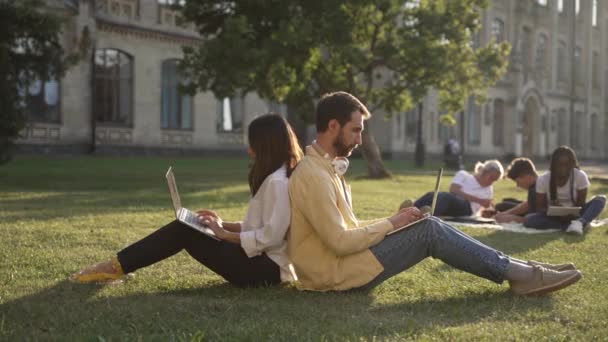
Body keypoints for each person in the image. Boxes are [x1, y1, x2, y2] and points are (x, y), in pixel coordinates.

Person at [287, 91, 581, 295]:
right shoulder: (313, 175)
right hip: (335, 275)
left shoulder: (326, 169)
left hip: (346, 265)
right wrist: (393, 224)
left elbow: (347, 229)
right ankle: (524, 276)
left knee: (431, 224)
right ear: (332, 126)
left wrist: (396, 219)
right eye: (355, 130)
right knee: (429, 230)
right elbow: (339, 242)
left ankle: (521, 270)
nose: (360, 139)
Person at [71, 114, 303, 287]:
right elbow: (261, 227)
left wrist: (224, 235)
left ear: (265, 145)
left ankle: (114, 267)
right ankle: (117, 266)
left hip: (265, 271)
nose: (249, 151)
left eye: (252, 144)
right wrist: (221, 225)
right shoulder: (275, 178)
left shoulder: (278, 182)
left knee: (184, 230)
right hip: (259, 263)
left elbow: (272, 236)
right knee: (189, 227)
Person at [524, 146, 606, 235]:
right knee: (529, 219)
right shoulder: (543, 179)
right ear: (553, 165)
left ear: (572, 164)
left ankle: (579, 223)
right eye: (559, 165)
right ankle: (572, 225)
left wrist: (571, 214)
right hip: (554, 217)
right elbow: (539, 207)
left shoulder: (580, 176)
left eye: (567, 165)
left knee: (600, 199)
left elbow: (581, 204)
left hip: (576, 215)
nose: (563, 168)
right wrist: (555, 211)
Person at [406, 160, 503, 217]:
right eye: (491, 178)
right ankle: (410, 208)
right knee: (432, 194)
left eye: (495, 180)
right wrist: (479, 200)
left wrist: (487, 207)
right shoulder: (463, 175)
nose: (492, 182)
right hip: (452, 200)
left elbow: (483, 208)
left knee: (446, 197)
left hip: (467, 209)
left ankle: (428, 215)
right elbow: (454, 189)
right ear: (484, 172)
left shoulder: (489, 189)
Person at [493, 158, 539, 224]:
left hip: (536, 214)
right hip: (532, 211)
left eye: (517, 181)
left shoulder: (538, 186)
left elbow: (528, 206)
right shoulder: (533, 187)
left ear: (527, 176)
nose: (517, 185)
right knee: (506, 201)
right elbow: (529, 203)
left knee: (501, 206)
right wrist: (505, 214)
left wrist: (511, 217)